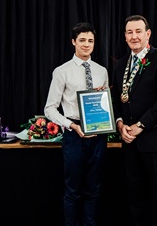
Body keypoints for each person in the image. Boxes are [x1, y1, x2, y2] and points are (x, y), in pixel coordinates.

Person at [111, 15, 157, 226]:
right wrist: (120, 124)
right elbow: (116, 101)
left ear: (148, 34)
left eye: (138, 31)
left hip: (156, 141)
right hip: (130, 143)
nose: (134, 36)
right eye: (129, 32)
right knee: (134, 198)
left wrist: (140, 126)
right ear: (124, 36)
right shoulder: (121, 64)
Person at [44, 22, 109, 226]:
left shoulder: (101, 71)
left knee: (93, 189)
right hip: (74, 133)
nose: (86, 45)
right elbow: (50, 109)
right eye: (82, 40)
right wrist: (72, 126)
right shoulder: (62, 71)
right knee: (73, 190)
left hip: (98, 134)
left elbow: (105, 104)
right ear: (73, 42)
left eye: (90, 41)